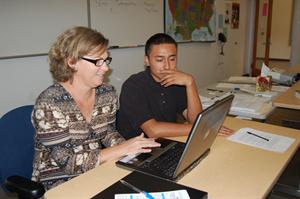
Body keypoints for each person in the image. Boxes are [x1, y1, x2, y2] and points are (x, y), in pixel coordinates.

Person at [31, 26, 160, 190]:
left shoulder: (106, 93)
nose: (106, 68)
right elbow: (68, 163)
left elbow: (107, 133)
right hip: (59, 183)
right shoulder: (49, 104)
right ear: (71, 62)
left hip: (96, 171)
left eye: (106, 60)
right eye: (97, 61)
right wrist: (123, 149)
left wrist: (135, 152)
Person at [117, 33, 203, 139]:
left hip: (167, 140)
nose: (167, 66)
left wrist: (190, 83)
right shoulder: (133, 86)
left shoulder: (176, 81)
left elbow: (194, 120)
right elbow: (153, 131)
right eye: (159, 60)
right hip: (135, 150)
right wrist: (201, 127)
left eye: (172, 59)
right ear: (147, 60)